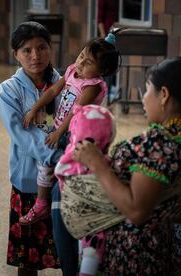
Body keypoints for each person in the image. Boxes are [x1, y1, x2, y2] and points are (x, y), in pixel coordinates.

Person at [72, 56, 181, 274]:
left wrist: (97, 164)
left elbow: (137, 211)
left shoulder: (157, 145)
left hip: (130, 254)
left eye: (147, 90)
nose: (144, 99)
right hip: (160, 251)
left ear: (164, 95)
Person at [20, 33, 120, 226]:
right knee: (45, 161)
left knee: (70, 169)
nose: (81, 63)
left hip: (77, 134)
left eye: (89, 62)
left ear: (103, 70)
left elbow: (76, 112)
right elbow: (52, 91)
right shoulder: (72, 70)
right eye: (81, 56)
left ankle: (59, 203)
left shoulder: (94, 86)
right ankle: (42, 204)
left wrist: (58, 132)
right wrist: (34, 109)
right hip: (60, 128)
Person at [0, 21, 63, 276]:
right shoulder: (8, 90)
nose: (35, 56)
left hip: (63, 179)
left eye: (42, 47)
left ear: (50, 49)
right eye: (26, 50)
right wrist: (60, 155)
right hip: (26, 181)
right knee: (27, 258)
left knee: (67, 251)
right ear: (15, 54)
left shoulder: (66, 84)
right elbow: (22, 135)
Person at [54, 104, 116, 276]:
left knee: (83, 246)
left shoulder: (70, 157)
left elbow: (60, 171)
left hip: (76, 216)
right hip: (95, 223)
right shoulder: (107, 161)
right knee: (95, 240)